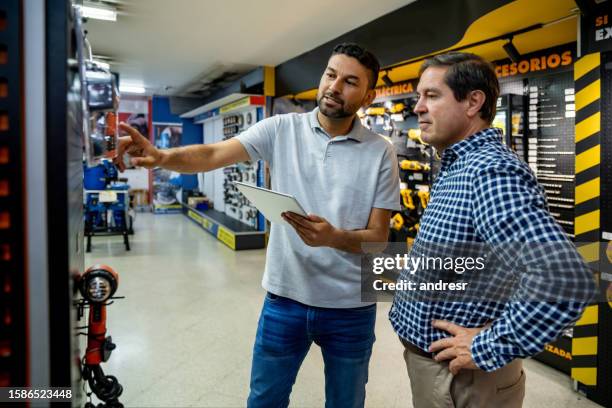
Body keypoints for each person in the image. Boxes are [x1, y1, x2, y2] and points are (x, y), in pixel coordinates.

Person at [115, 43, 400, 408]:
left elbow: (378, 240)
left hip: (350, 308)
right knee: (264, 400)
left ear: (368, 95)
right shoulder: (280, 129)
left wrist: (334, 237)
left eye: (349, 82)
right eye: (330, 74)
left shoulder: (381, 151)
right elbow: (215, 153)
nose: (334, 87)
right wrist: (161, 157)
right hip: (284, 299)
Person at [388, 52, 595, 408]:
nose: (418, 107)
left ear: (473, 102)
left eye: (432, 96)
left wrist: (487, 345)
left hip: (462, 382)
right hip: (440, 372)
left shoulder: (488, 171)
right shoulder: (458, 164)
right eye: (419, 96)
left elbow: (564, 279)